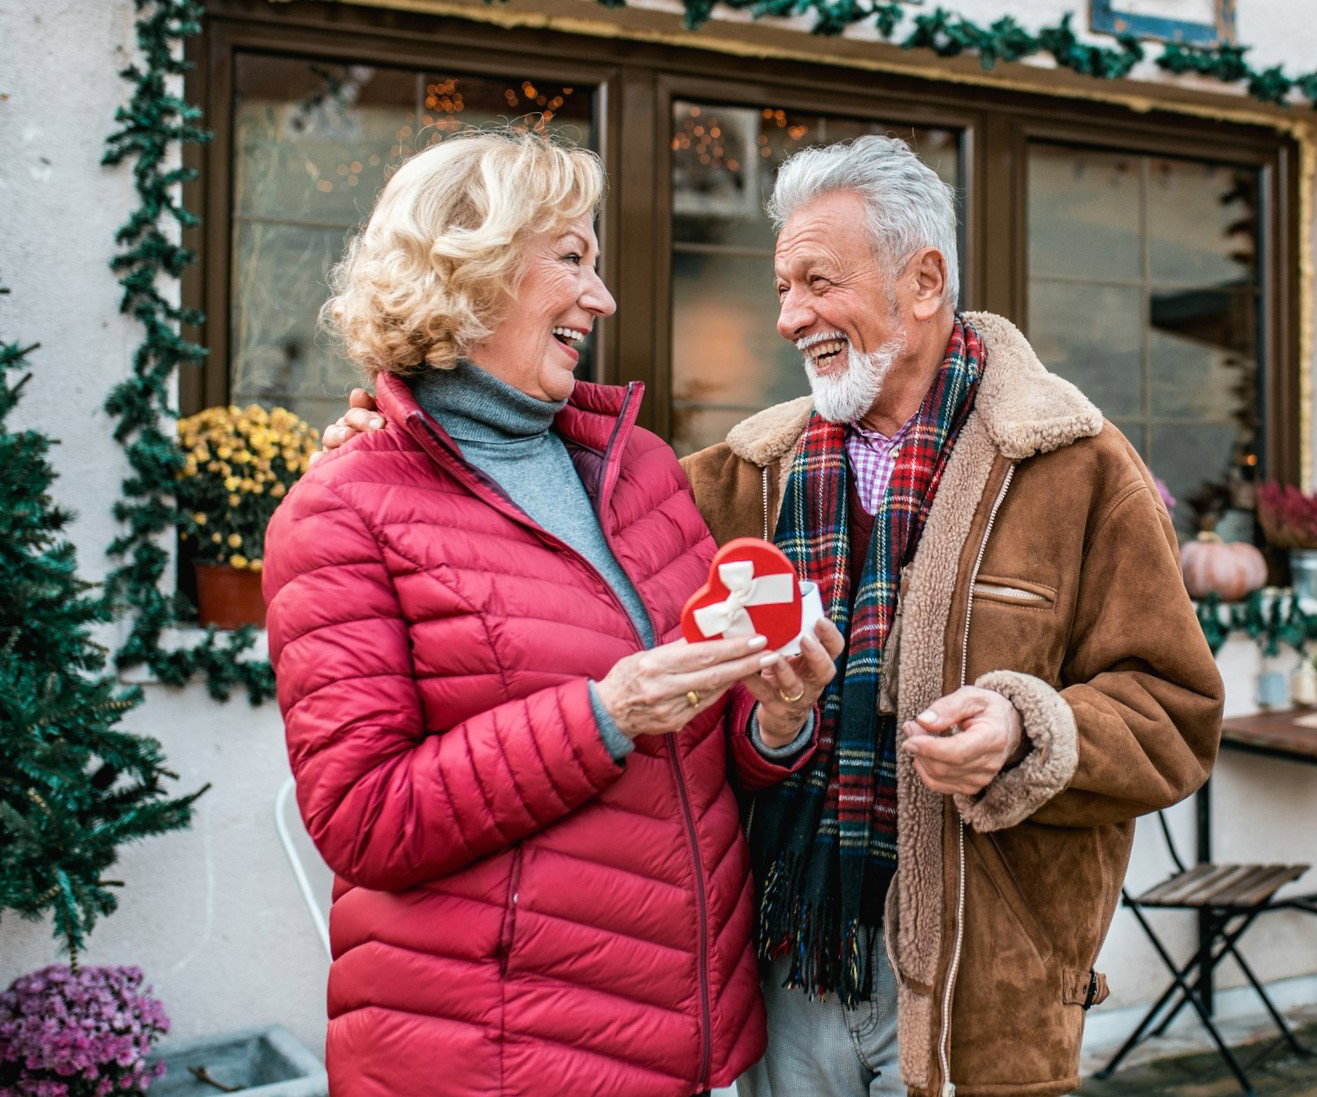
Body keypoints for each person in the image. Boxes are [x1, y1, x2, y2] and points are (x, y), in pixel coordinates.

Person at [322, 135, 1222, 1097]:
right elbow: (538, 498)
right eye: (782, 284)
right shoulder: (737, 477)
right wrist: (403, 431)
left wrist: (1028, 728)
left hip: (980, 986)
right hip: (781, 967)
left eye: (817, 282)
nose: (790, 317)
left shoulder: (1077, 466)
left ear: (923, 281)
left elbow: (1175, 714)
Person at [267, 129, 842, 1097]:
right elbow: (363, 818)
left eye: (598, 262)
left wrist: (775, 718)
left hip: (683, 1045)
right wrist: (601, 715)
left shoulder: (643, 471)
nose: (602, 296)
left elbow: (697, 738)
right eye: (571, 258)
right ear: (472, 269)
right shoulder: (341, 510)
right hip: (490, 1059)